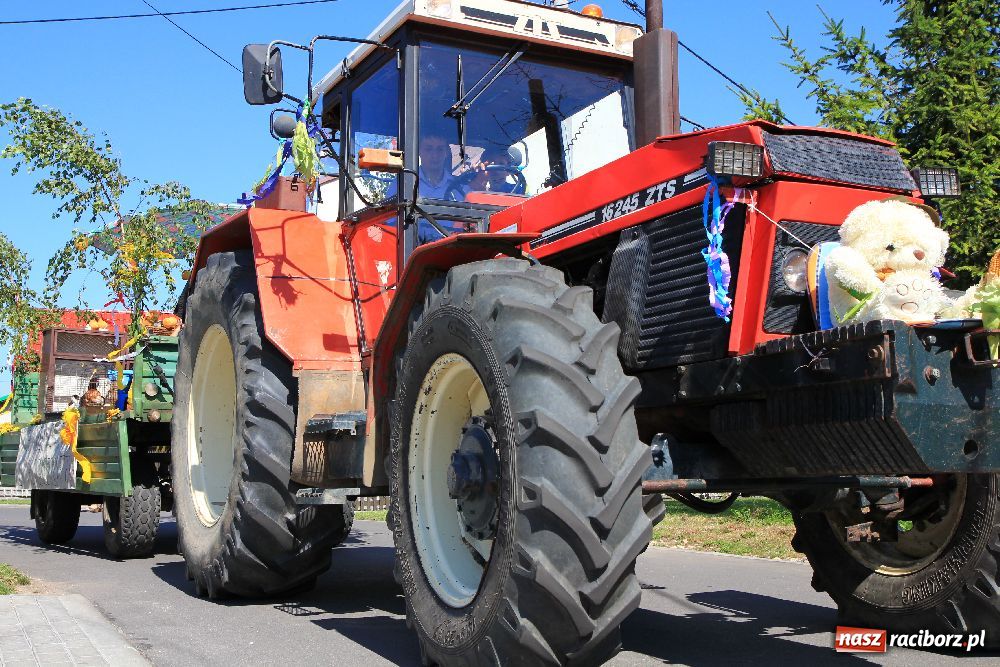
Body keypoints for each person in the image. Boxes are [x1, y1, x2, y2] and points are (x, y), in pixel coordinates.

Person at [418, 132, 459, 200]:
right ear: (419, 151)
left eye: (440, 149)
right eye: (428, 149)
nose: (435, 155)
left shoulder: (459, 187)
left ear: (447, 153)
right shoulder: (404, 182)